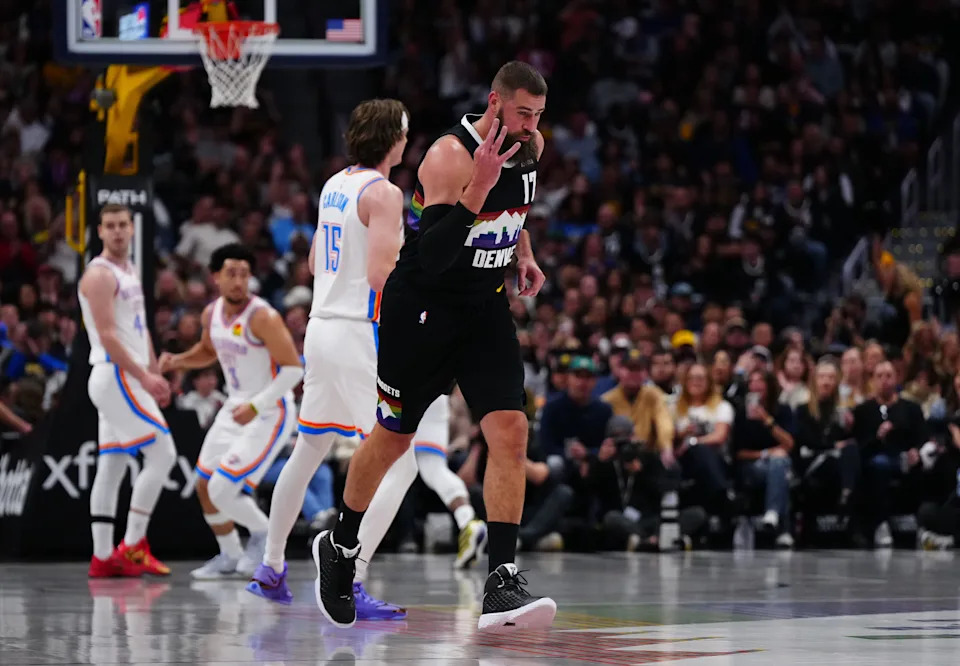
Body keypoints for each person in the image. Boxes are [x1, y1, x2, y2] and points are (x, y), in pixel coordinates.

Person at [316, 61, 556, 632]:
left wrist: (522, 250)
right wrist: (477, 187)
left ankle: (501, 580)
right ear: (494, 103)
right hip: (422, 309)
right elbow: (435, 254)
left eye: (538, 115)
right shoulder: (449, 156)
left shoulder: (531, 145)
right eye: (523, 113)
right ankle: (341, 544)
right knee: (394, 440)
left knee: (511, 430)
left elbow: (515, 207)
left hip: (483, 305)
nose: (531, 125)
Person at [243, 98, 410, 611]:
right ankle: (348, 576)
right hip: (359, 333)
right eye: (405, 132)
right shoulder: (384, 193)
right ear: (394, 139)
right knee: (399, 461)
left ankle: (271, 566)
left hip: (321, 327)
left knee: (310, 447)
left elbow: (317, 260)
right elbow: (385, 278)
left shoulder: (335, 184)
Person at [158, 243, 302, 580]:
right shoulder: (211, 314)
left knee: (223, 488)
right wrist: (178, 360)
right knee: (203, 484)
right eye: (231, 274)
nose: (238, 281)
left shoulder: (263, 316)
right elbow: (209, 350)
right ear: (215, 278)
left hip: (270, 410)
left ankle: (265, 535)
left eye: (244, 274)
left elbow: (294, 370)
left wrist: (257, 405)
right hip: (236, 406)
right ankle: (230, 554)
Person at [78, 203, 176, 578]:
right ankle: (134, 543)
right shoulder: (99, 275)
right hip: (115, 374)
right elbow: (106, 336)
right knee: (163, 454)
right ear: (100, 231)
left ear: (132, 229)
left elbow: (140, 328)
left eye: (123, 224)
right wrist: (143, 376)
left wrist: (153, 372)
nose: (118, 231)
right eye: (110, 226)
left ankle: (103, 557)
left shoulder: (129, 269)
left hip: (127, 375)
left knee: (113, 464)